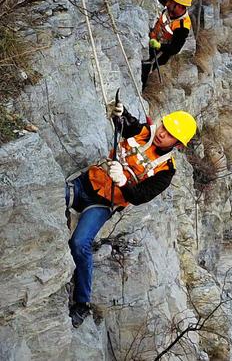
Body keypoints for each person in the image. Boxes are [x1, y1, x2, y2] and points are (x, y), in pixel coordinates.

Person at [65, 103, 197, 328]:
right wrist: (120, 113)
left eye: (169, 135)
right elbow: (128, 125)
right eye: (164, 127)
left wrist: (123, 182)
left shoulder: (165, 171)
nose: (162, 134)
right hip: (85, 183)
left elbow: (140, 196)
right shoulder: (144, 132)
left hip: (102, 203)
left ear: (177, 144)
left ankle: (82, 302)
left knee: (80, 243)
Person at [142, 0, 193, 88]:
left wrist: (159, 45)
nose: (168, 3)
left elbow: (175, 48)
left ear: (180, 6)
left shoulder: (182, 26)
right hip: (152, 39)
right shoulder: (172, 7)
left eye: (172, 2)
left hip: (158, 54)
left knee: (143, 71)